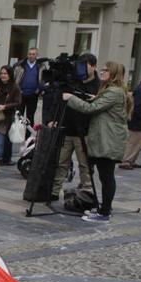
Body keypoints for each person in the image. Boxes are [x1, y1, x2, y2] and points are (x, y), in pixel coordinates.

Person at [62, 61, 132, 223]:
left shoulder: (113, 92)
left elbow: (90, 109)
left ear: (113, 73)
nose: (102, 71)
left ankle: (105, 212)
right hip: (107, 139)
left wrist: (71, 98)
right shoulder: (111, 91)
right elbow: (100, 106)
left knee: (107, 177)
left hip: (109, 141)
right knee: (105, 176)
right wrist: (96, 98)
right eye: (103, 69)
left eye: (106, 70)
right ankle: (104, 208)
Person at [49, 53, 99, 200]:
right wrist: (53, 119)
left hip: (85, 130)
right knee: (61, 162)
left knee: (85, 164)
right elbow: (58, 101)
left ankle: (87, 192)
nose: (81, 69)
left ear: (93, 66)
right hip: (66, 127)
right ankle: (54, 190)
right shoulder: (72, 81)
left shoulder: (98, 86)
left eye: (86, 65)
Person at [14, 47, 43, 126]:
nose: (31, 56)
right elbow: (14, 78)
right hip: (21, 94)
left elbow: (43, 80)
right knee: (19, 116)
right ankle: (18, 136)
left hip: (33, 95)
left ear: (36, 55)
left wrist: (38, 90)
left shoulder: (40, 66)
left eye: (33, 54)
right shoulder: (20, 65)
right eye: (29, 54)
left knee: (30, 116)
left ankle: (28, 136)